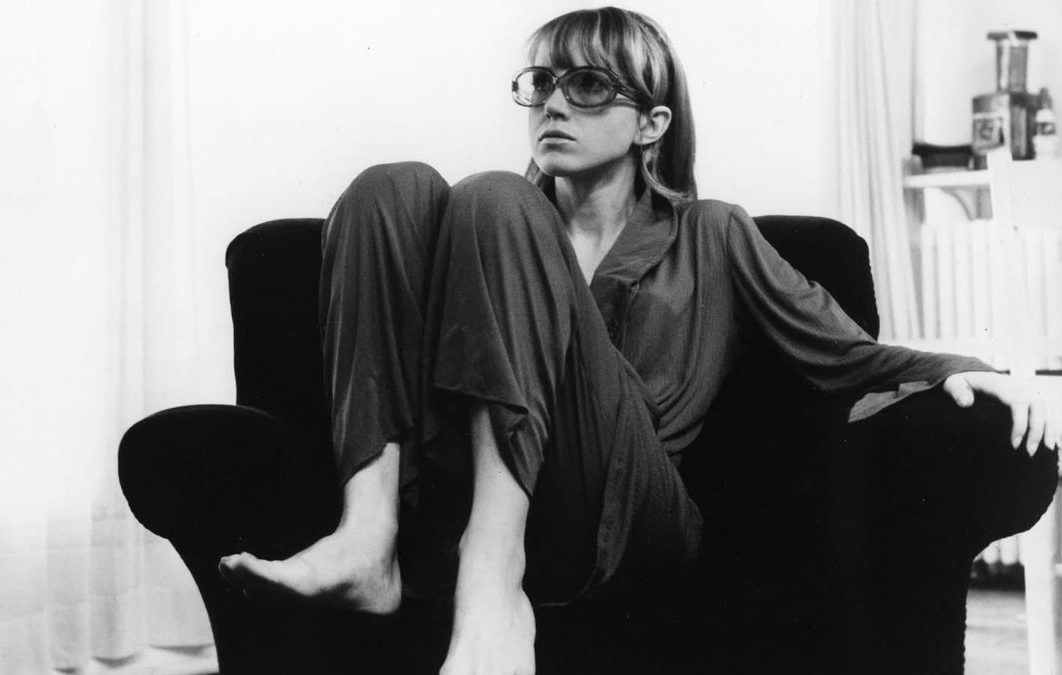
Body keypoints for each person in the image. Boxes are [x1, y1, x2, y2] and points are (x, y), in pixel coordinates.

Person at [219, 7, 1060, 674]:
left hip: (621, 516)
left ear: (652, 122)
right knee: (388, 186)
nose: (553, 103)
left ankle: (492, 585)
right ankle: (368, 539)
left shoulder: (711, 233)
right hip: (448, 505)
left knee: (493, 199)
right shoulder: (489, 231)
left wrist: (976, 368)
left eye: (588, 85)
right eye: (542, 83)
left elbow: (848, 353)